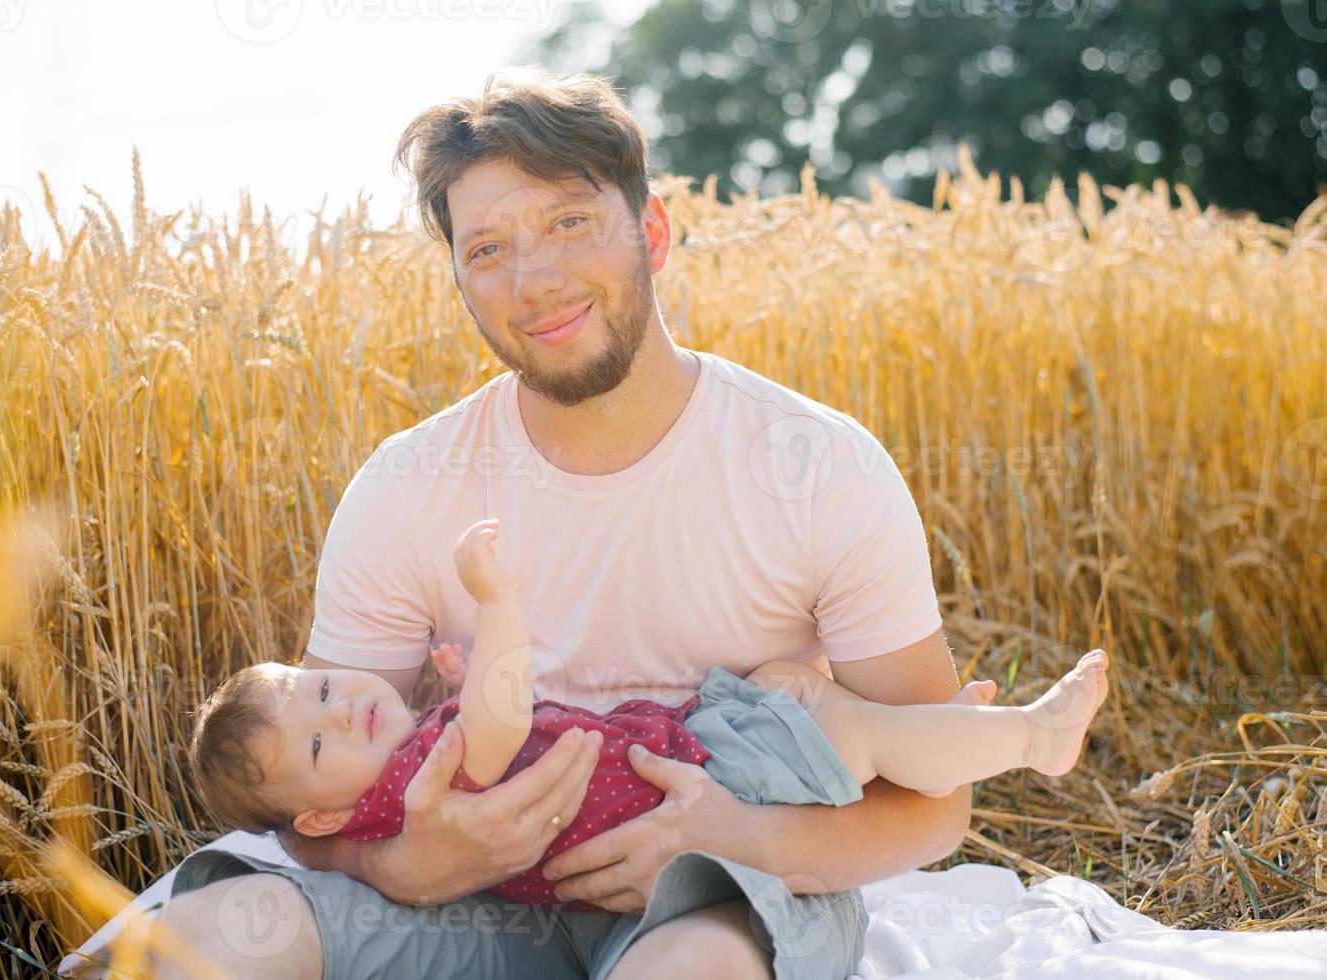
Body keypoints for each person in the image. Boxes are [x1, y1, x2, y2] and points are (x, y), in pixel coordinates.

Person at [152, 67, 987, 979]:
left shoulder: (818, 466)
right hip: (470, 904)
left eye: (569, 223)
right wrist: (404, 862)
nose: (534, 280)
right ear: (461, 282)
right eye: (487, 250)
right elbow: (306, 806)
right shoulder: (405, 488)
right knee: (212, 934)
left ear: (653, 232)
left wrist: (740, 837)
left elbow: (936, 804)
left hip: (720, 891)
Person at [186, 516, 1110, 921]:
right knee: (858, 733)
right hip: (701, 778)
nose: (342, 708)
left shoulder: (393, 789)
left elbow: (493, 730)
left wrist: (457, 693)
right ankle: (1035, 735)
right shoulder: (422, 783)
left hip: (689, 754)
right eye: (317, 740)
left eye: (319, 689)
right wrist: (496, 605)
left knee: (810, 690)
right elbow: (503, 723)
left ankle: (942, 743)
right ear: (321, 816)